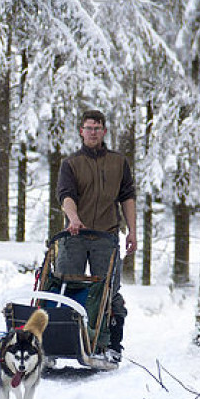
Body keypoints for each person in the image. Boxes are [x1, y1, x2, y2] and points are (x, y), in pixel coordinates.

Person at [56, 109, 137, 362]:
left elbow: (127, 197)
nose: (92, 132)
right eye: (88, 128)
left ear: (104, 131)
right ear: (81, 131)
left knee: (109, 290)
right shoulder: (71, 164)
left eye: (97, 128)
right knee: (65, 286)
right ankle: (60, 342)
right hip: (76, 235)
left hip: (107, 235)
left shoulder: (118, 162)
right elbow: (65, 195)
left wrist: (133, 230)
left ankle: (110, 344)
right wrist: (74, 218)